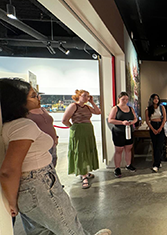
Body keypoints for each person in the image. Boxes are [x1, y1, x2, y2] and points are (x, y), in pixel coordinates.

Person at [0, 78, 111, 235]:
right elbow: (9, 168)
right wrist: (10, 202)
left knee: (41, 230)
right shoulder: (23, 125)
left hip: (32, 184)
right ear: (17, 100)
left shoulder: (12, 124)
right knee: (68, 225)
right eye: (33, 95)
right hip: (39, 182)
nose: (38, 97)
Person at [62, 89, 101, 189]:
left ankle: (86, 172)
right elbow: (64, 120)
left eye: (87, 96)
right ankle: (83, 175)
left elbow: (98, 112)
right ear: (78, 96)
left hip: (88, 130)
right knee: (80, 151)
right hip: (78, 130)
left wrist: (92, 102)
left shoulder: (87, 107)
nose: (86, 98)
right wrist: (72, 126)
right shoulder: (73, 106)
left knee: (87, 150)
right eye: (84, 96)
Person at [108, 92, 138, 178]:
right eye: (123, 99)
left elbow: (135, 118)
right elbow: (110, 120)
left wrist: (132, 122)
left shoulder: (130, 108)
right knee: (119, 150)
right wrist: (122, 122)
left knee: (128, 149)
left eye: (126, 99)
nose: (125, 101)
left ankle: (128, 164)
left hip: (129, 131)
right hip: (119, 132)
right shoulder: (115, 108)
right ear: (119, 99)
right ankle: (117, 168)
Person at [27, 93, 58, 167]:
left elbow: (50, 125)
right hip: (40, 144)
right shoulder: (26, 113)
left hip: (52, 142)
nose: (39, 98)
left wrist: (55, 136)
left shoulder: (42, 109)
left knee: (53, 161)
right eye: (34, 97)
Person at [145, 94, 166, 173]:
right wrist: (153, 129)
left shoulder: (162, 107)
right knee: (155, 145)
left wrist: (160, 128)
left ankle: (156, 164)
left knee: (160, 146)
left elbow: (164, 118)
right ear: (152, 100)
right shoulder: (148, 109)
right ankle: (157, 162)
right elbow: (147, 120)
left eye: (157, 98)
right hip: (153, 126)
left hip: (160, 125)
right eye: (154, 98)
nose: (156, 100)